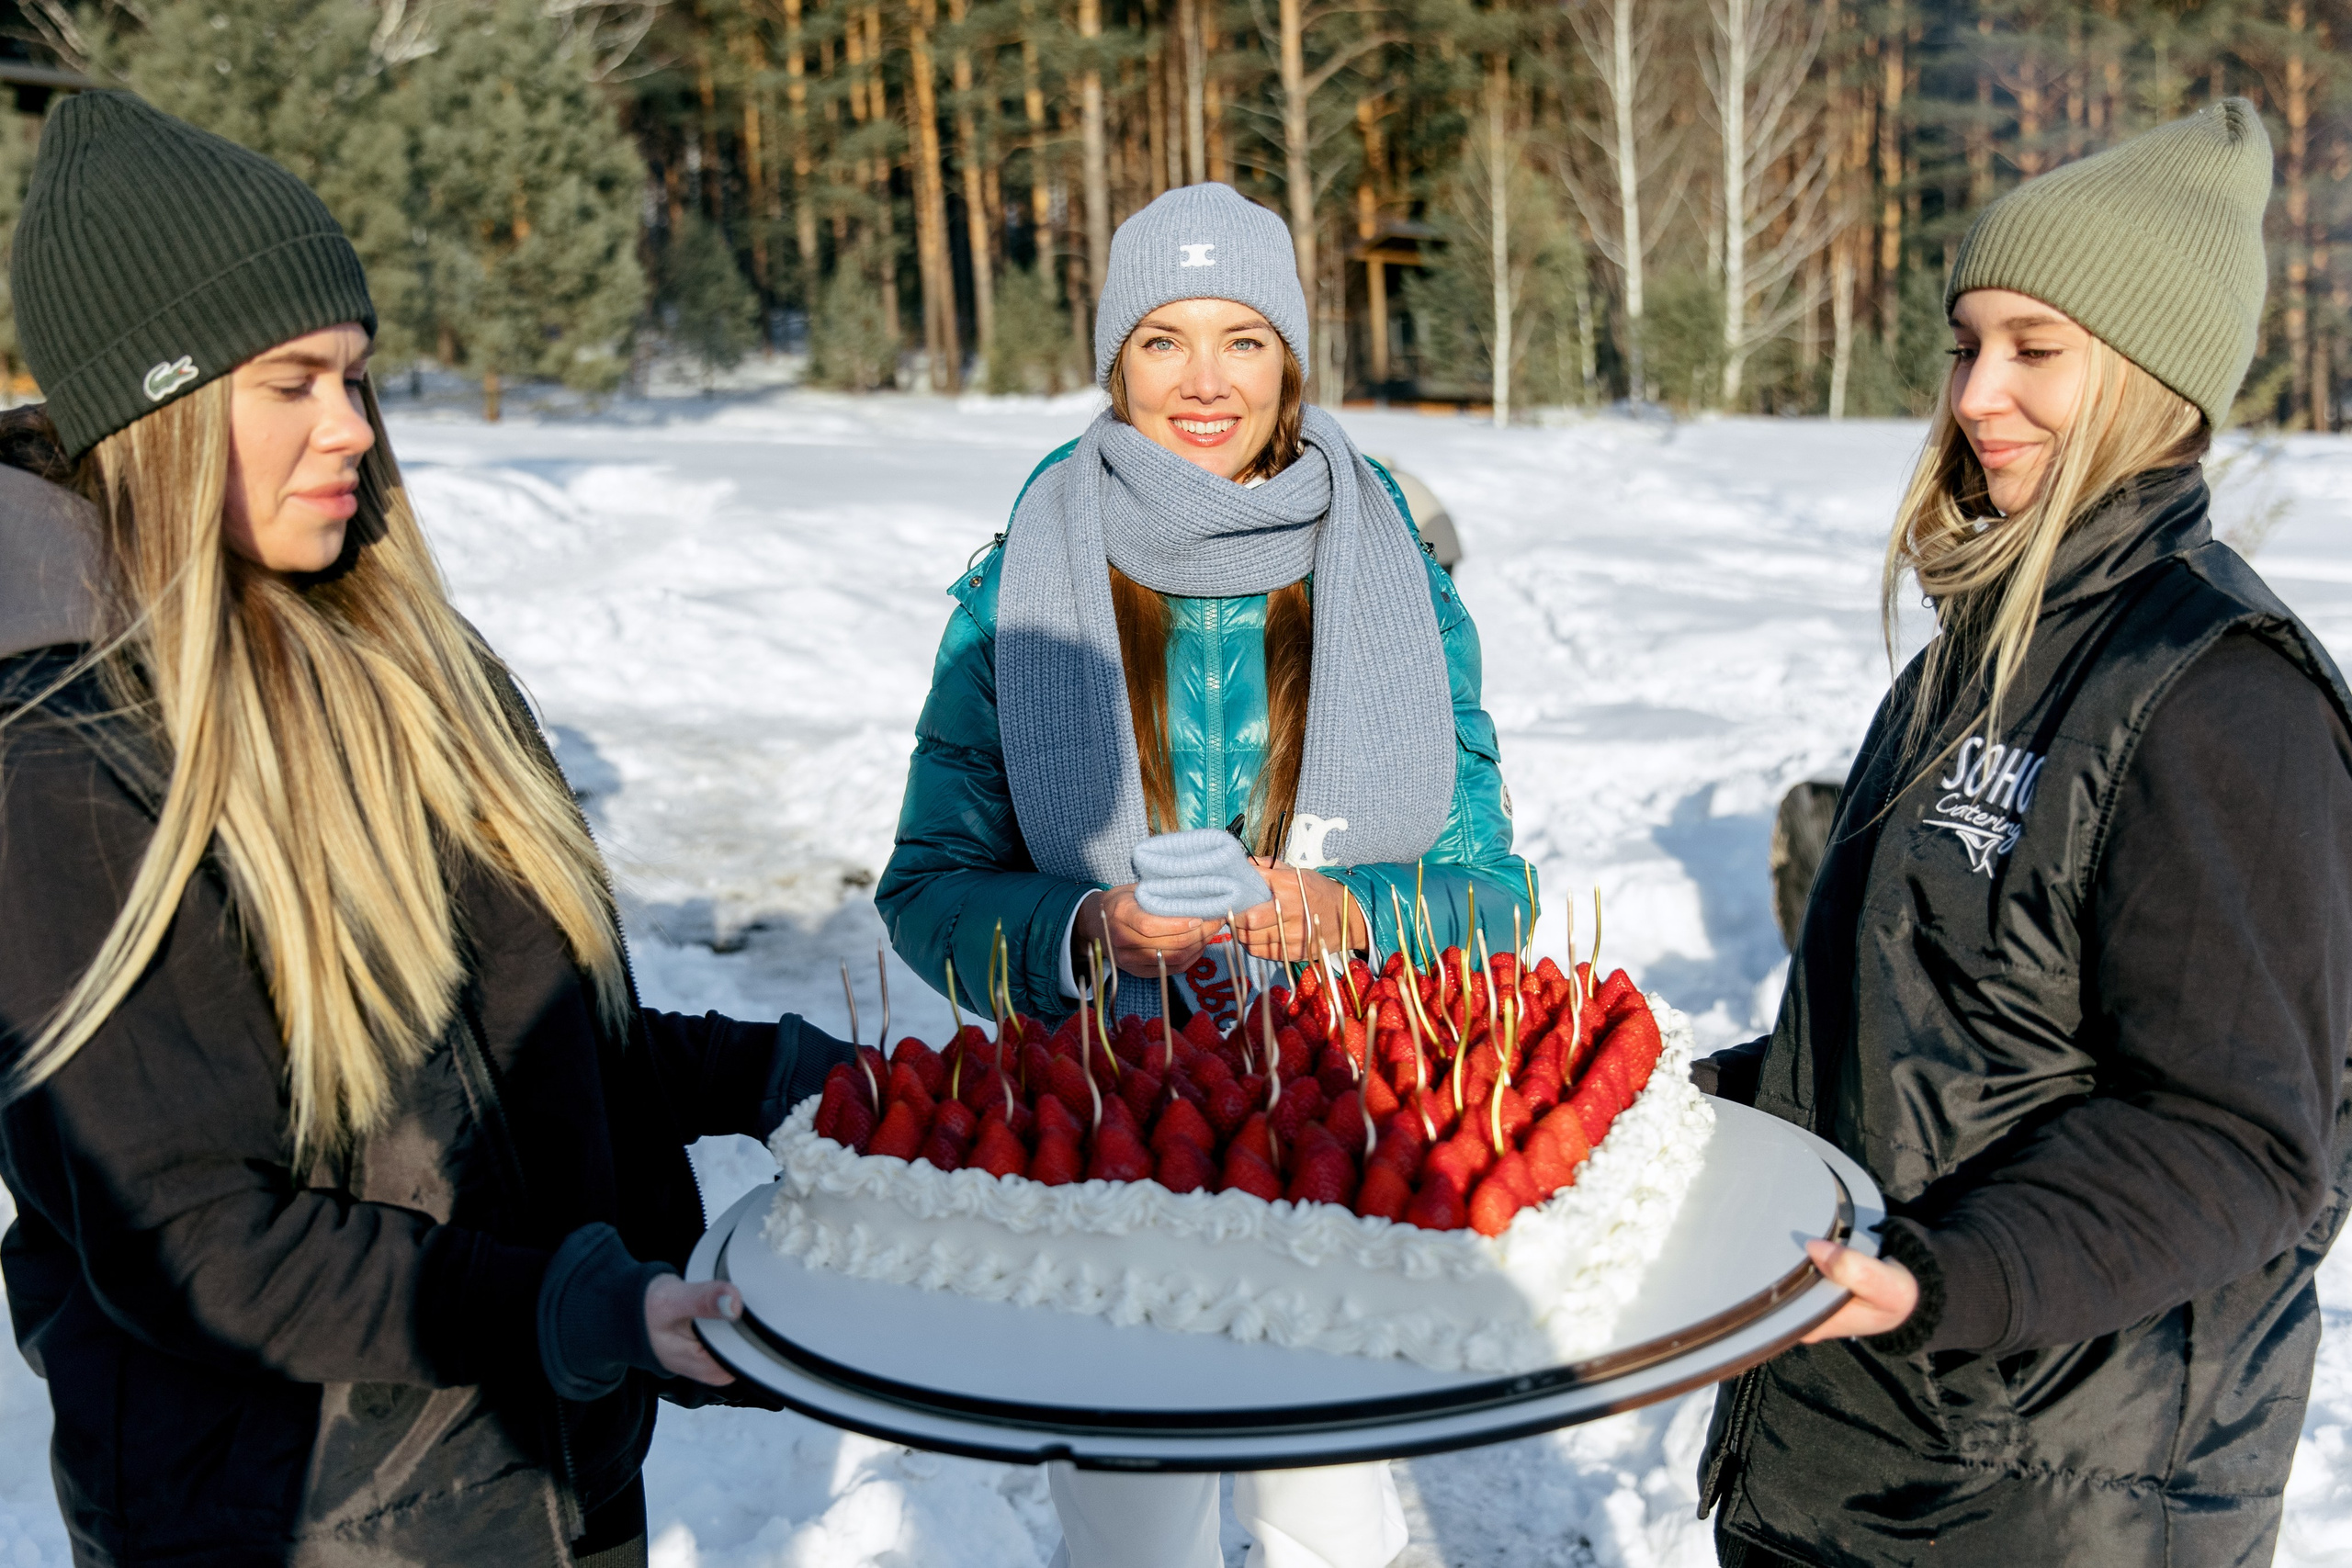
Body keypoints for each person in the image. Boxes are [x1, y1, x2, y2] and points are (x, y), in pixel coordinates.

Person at [0, 93, 851, 1566]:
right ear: (159, 407)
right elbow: (194, 1234)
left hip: (548, 1471)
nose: (356, 429)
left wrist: (781, 1075)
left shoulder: (398, 658)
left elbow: (513, 1052)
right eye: (292, 382)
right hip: (295, 1521)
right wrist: (567, 1306)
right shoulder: (63, 758)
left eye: (357, 376)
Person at [1694, 99, 2352, 1567]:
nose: (1978, 393)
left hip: (2047, 1496)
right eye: (1966, 343)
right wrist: (1666, 1122)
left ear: (2151, 374)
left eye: (2036, 349)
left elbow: (2241, 1138)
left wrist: (1941, 1277)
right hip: (1848, 1449)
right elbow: (1926, 1041)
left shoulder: (2215, 697)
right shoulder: (1980, 656)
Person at [877, 182, 1531, 1566]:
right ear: (1114, 361)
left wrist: (1349, 912)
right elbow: (929, 888)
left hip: (1332, 1120)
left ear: (1292, 355)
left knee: (1329, 1522)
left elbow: (1491, 890)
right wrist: (1087, 930)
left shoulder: (1399, 579)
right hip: (1104, 1133)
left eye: (1243, 337)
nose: (1205, 381)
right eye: (1163, 339)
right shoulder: (1024, 588)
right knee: (1131, 1526)